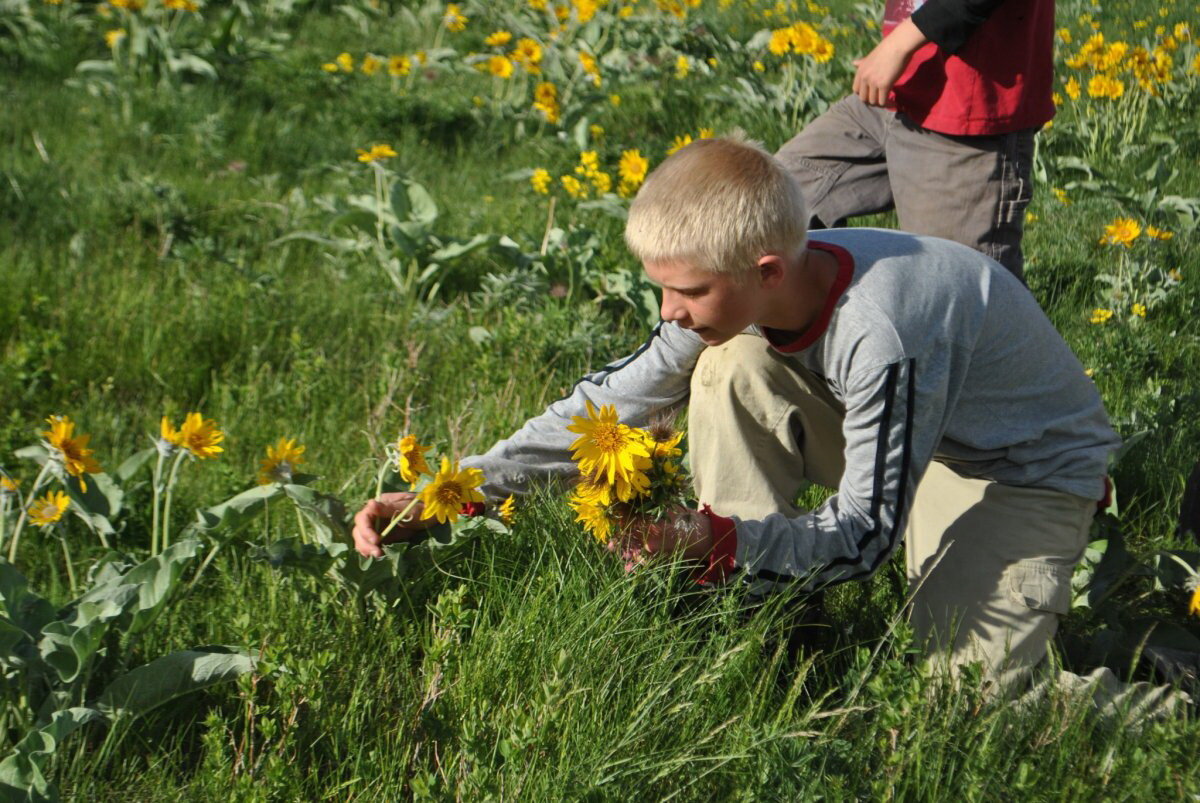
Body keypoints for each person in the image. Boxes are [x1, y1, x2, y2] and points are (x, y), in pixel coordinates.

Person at [353, 136, 1119, 694]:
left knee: (973, 701)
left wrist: (713, 538)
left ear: (767, 271)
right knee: (723, 365)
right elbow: (610, 404)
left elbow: (865, 535)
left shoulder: (880, 331)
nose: (668, 311)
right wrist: (456, 490)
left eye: (686, 292)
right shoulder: (744, 296)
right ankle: (769, 619)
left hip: (1014, 471)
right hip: (904, 432)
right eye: (661, 288)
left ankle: (1167, 701)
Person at [775, 0, 1055, 280]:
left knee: (953, 284)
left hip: (964, 113)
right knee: (770, 204)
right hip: (897, 93)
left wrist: (898, 45)